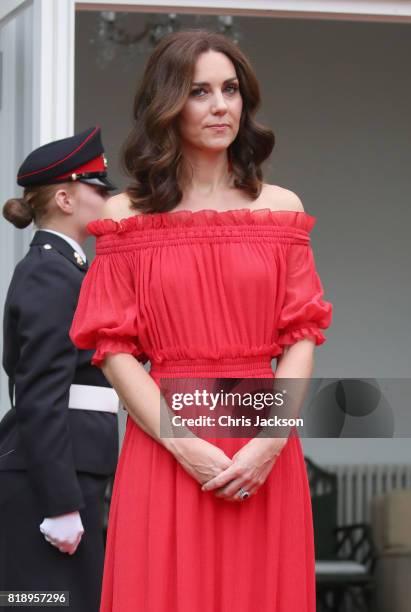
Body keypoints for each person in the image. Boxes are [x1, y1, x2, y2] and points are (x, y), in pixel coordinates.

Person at [70, 31, 333, 611]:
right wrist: (185, 445)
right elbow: (113, 350)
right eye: (200, 92)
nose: (221, 105)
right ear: (168, 105)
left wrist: (269, 441)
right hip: (166, 448)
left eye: (231, 89)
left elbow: (302, 335)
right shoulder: (124, 218)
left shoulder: (281, 209)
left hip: (262, 445)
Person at [0, 126, 119, 612]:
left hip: (65, 471)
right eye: (99, 188)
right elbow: (40, 393)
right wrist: (60, 502)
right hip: (48, 481)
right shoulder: (52, 272)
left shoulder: (66, 269)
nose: (107, 199)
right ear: (66, 198)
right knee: (43, 604)